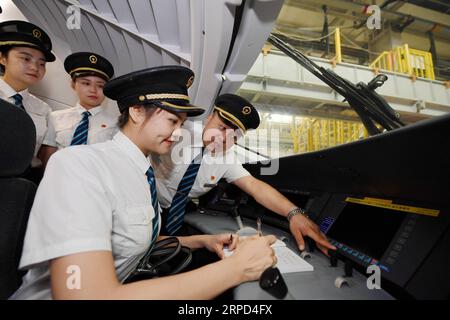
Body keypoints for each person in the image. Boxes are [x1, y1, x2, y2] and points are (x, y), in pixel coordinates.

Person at [10, 66, 276, 300]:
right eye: (172, 121)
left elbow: (133, 240)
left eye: (181, 123)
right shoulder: (79, 166)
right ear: (136, 112)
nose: (177, 133)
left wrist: (204, 240)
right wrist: (236, 268)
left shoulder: (142, 172)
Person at [153, 93, 336, 255]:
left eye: (234, 136)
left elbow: (254, 186)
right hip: (151, 207)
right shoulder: (177, 133)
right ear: (209, 118)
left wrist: (294, 213)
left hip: (178, 214)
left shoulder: (226, 158)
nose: (223, 138)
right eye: (222, 127)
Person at [39, 52, 118, 168]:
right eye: (86, 83)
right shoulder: (55, 117)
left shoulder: (116, 124)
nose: (93, 90)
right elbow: (48, 157)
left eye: (100, 86)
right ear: (73, 84)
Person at [0, 20, 55, 172]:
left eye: (41, 63)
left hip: (23, 183)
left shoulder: (44, 110)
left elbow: (43, 157)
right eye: (25, 58)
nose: (34, 67)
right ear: (2, 58)